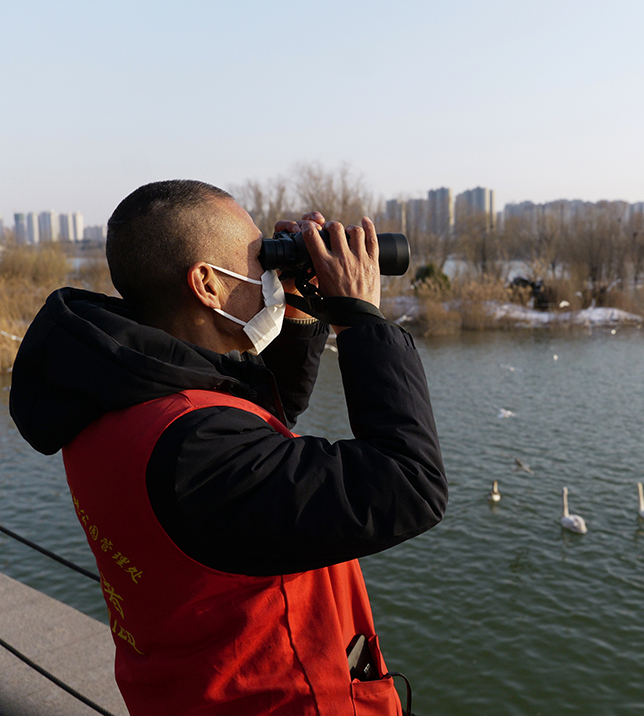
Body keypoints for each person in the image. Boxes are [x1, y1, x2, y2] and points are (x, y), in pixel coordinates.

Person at [9, 180, 446, 716]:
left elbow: (261, 420)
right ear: (208, 284)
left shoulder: (111, 396)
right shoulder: (195, 450)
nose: (269, 279)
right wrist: (358, 317)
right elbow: (409, 484)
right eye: (261, 263)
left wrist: (302, 306)